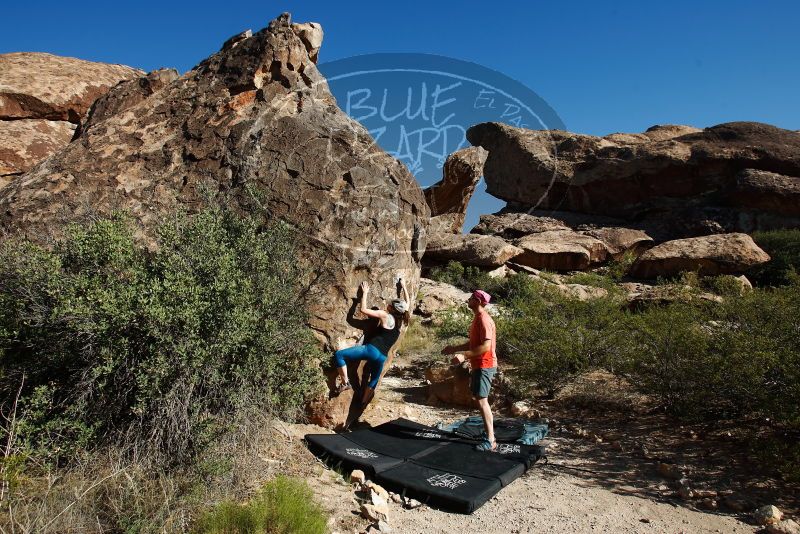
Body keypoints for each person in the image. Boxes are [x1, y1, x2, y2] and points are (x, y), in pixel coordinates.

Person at [333, 278, 410, 406]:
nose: (387, 305)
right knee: (373, 380)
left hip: (371, 350)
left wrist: (365, 293)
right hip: (382, 357)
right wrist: (403, 286)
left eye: (389, 305)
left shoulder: (384, 315)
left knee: (339, 355)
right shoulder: (401, 321)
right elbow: (407, 304)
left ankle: (345, 382)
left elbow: (363, 310)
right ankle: (362, 403)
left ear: (390, 308)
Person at [442, 289, 498, 451]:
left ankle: (491, 440)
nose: (469, 299)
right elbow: (474, 343)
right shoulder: (477, 318)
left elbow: (485, 346)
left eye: (472, 297)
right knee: (479, 399)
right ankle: (489, 435)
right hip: (479, 364)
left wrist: (464, 356)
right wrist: (454, 348)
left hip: (485, 364)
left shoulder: (484, 320)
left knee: (482, 400)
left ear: (479, 301)